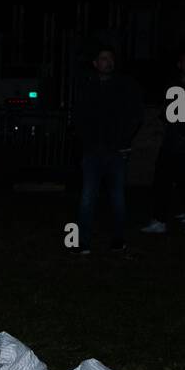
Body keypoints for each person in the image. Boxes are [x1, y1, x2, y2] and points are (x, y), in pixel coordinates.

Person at [74, 46, 143, 253]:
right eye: (103, 58)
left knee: (117, 197)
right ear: (95, 63)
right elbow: (79, 116)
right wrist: (86, 142)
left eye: (111, 58)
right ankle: (83, 242)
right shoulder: (87, 86)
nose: (108, 62)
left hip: (117, 151)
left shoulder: (125, 86)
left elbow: (136, 114)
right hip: (93, 150)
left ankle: (118, 240)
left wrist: (124, 140)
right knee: (88, 196)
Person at [142, 51, 185, 236]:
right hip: (171, 144)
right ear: (179, 64)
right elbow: (165, 111)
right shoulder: (171, 85)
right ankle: (160, 221)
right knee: (162, 182)